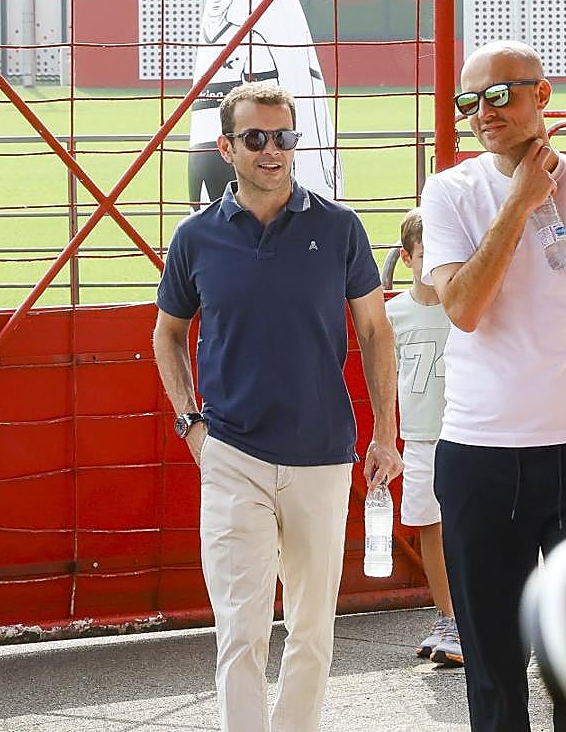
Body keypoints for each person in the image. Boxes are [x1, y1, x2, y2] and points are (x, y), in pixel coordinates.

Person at [420, 40, 566, 732]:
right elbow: (463, 307)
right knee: (493, 668)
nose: (483, 112)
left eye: (500, 94)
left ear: (541, 96)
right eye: (470, 101)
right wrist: (520, 203)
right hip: (478, 457)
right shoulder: (450, 193)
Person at [153, 81, 402, 732]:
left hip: (323, 457)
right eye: (256, 138)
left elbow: (376, 332)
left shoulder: (340, 228)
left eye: (284, 138)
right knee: (240, 631)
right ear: (226, 146)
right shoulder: (195, 239)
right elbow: (167, 333)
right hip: (231, 456)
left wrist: (386, 435)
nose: (272, 151)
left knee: (313, 630)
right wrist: (191, 427)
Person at [385, 207, 461, 667]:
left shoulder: (466, 304)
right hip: (419, 439)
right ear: (408, 259)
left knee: (473, 529)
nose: (434, 263)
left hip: (468, 435)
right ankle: (448, 617)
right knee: (430, 527)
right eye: (425, 253)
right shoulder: (392, 313)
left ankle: (475, 621)